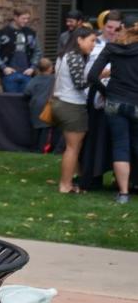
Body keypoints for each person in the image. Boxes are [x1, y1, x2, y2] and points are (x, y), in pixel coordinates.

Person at [89, 12, 138, 204]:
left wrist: (106, 92)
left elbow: (92, 76)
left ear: (122, 28)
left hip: (114, 101)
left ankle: (123, 193)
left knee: (120, 146)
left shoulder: (112, 48)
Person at [51, 27, 97, 193]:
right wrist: (100, 75)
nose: (93, 44)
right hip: (71, 105)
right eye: (91, 40)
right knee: (73, 147)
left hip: (61, 103)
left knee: (74, 146)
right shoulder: (75, 57)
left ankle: (73, 181)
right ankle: (65, 185)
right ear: (79, 40)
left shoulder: (64, 55)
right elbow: (80, 83)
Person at [0, 10, 39, 94]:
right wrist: (3, 67)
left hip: (27, 74)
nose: (26, 21)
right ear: (15, 17)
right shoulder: (1, 33)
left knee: (25, 102)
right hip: (9, 74)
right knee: (10, 102)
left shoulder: (31, 33)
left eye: (27, 19)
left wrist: (32, 67)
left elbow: (37, 51)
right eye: (23, 18)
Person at [27, 58, 56, 154]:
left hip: (35, 106)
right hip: (47, 106)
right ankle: (42, 149)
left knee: (35, 128)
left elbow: (27, 91)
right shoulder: (54, 79)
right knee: (45, 128)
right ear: (50, 68)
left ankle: (34, 148)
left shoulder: (35, 79)